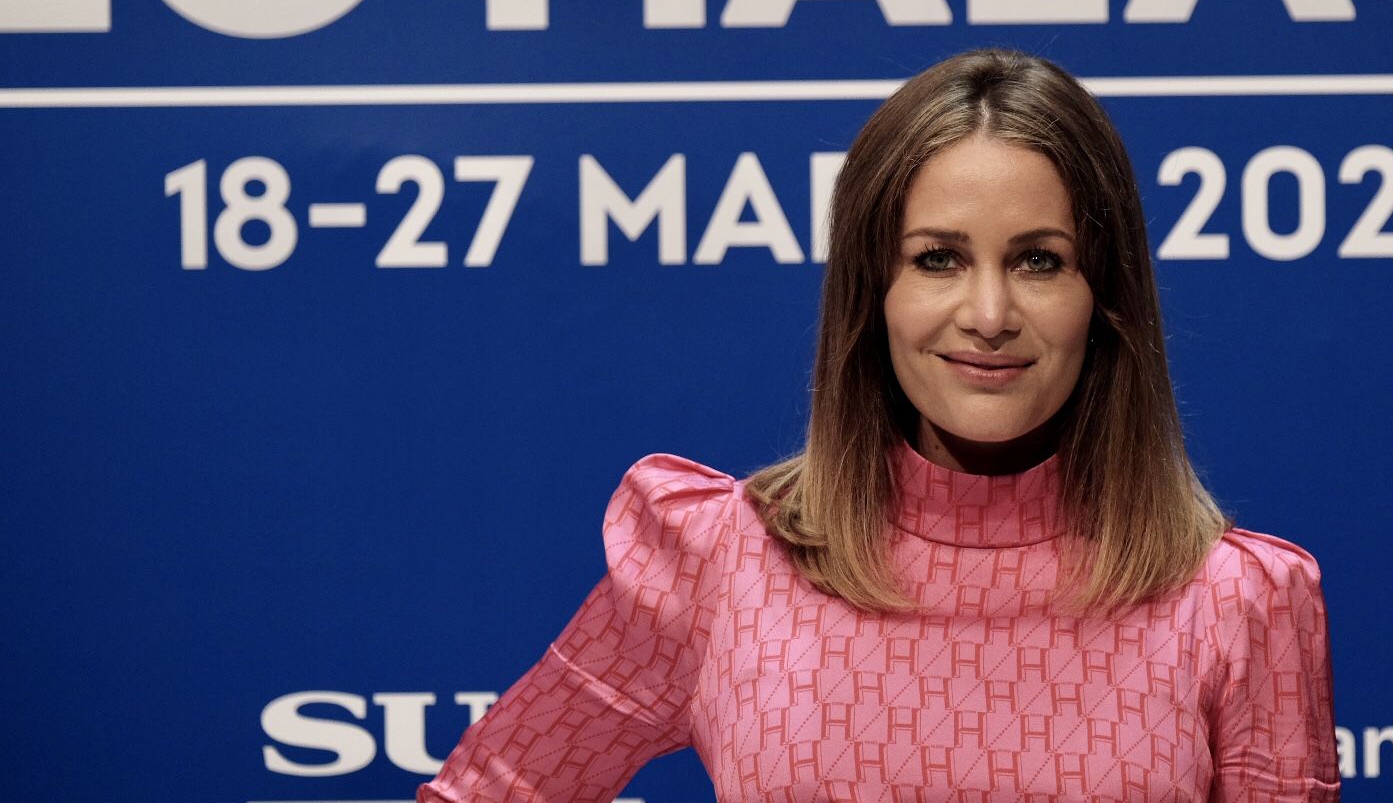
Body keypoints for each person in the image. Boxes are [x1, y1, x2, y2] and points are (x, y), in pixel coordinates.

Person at [419, 48, 1339, 801]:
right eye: (937, 258)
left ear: (1106, 299)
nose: (987, 312)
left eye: (1039, 262)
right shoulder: (715, 560)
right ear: (873, 292)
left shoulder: (1237, 601)